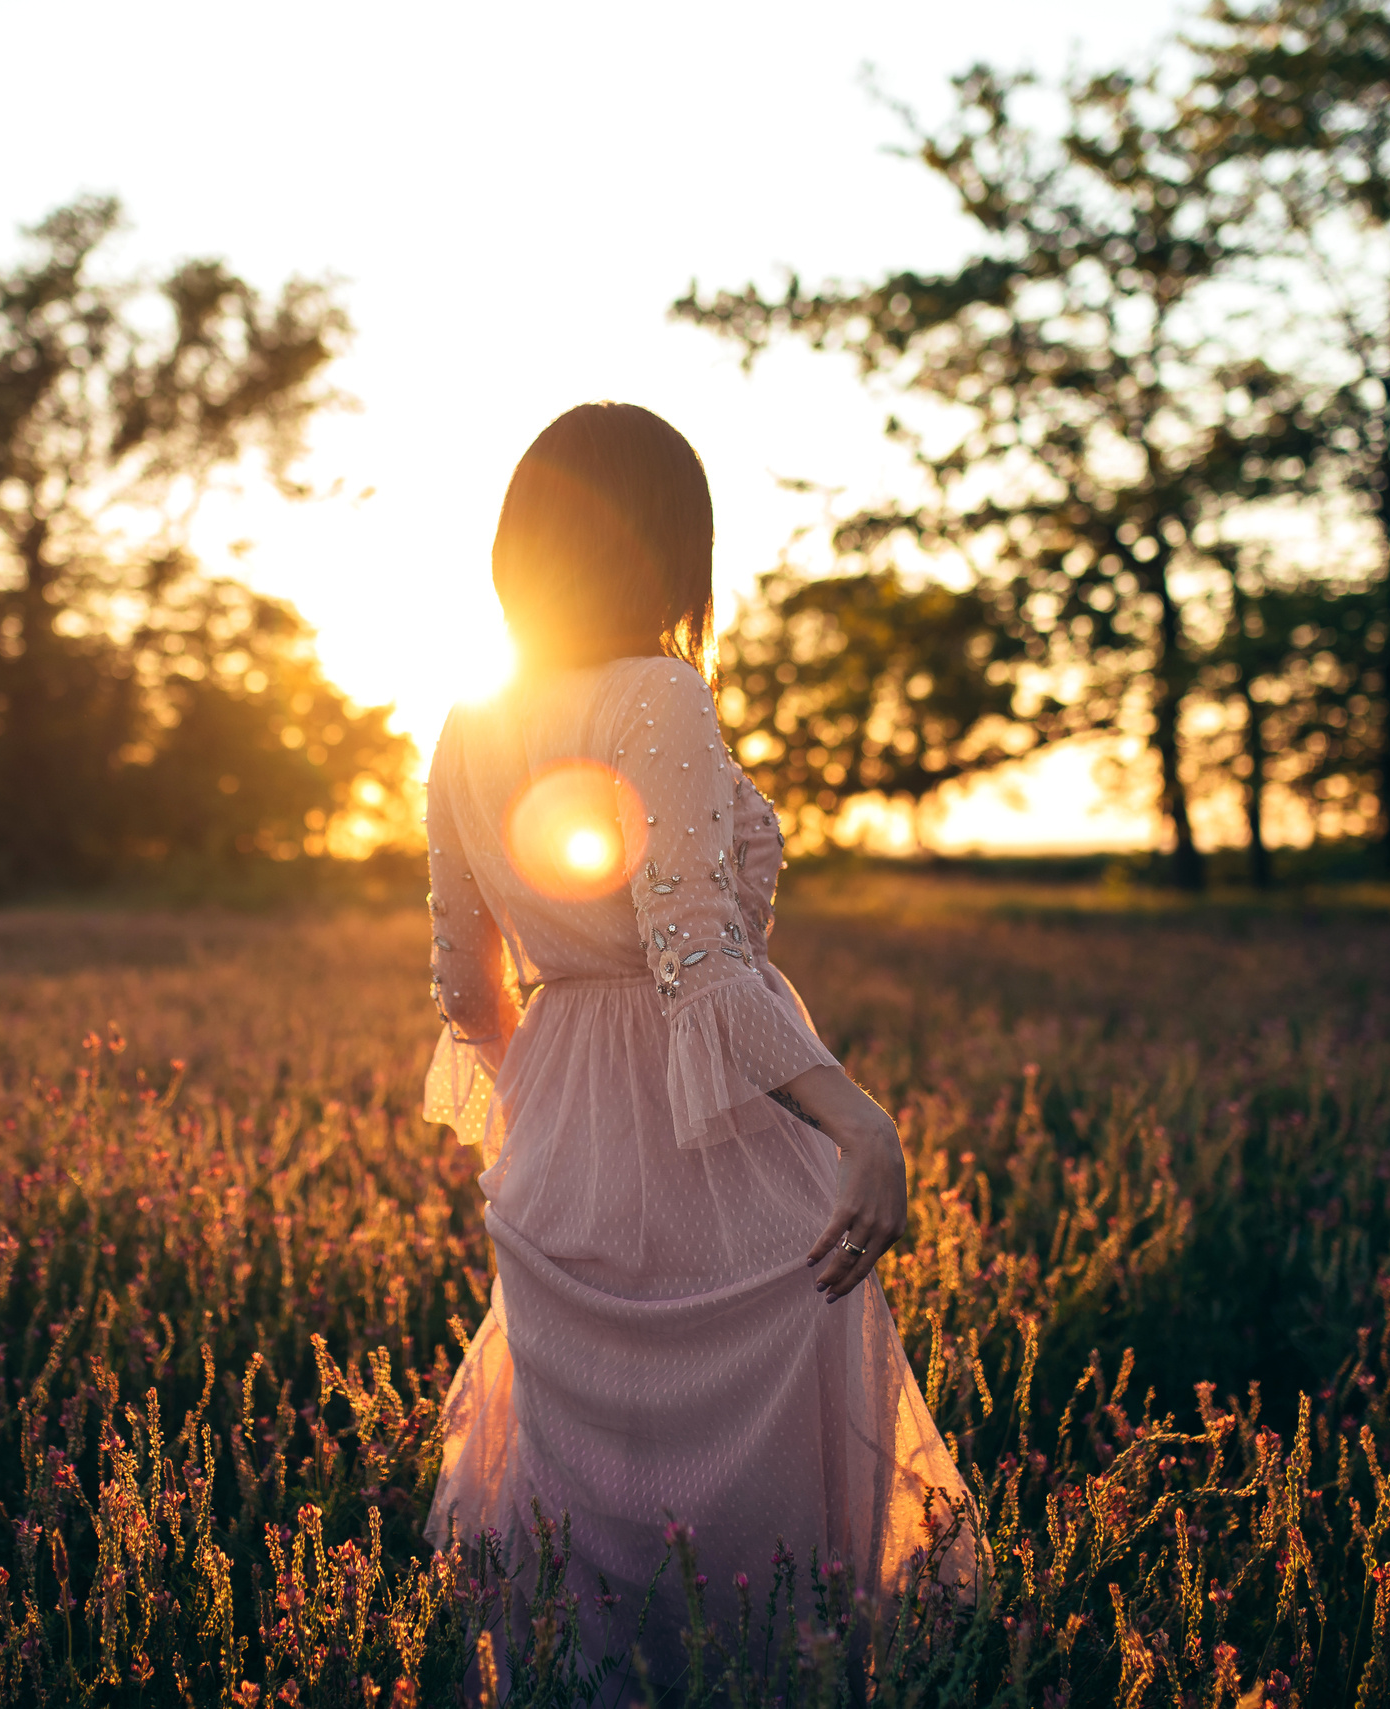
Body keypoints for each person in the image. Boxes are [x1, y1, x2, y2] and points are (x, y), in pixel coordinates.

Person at [421, 402, 974, 1685]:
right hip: (704, 1121)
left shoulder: (462, 722)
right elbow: (695, 950)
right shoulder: (658, 689)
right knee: (752, 1475)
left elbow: (463, 983)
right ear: (671, 546)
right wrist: (855, 1117)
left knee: (585, 1472)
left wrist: (554, 1119)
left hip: (559, 1113)